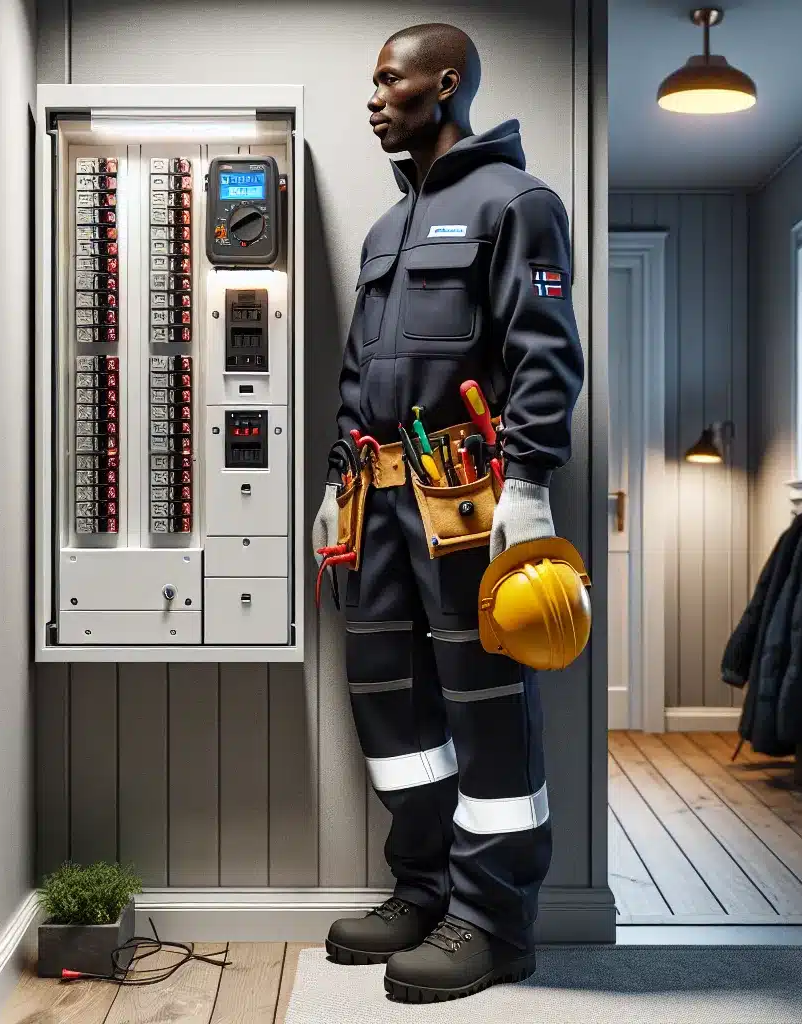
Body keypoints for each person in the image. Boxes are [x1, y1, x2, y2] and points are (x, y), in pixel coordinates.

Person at [310, 21, 585, 1003]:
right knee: (390, 703)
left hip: (467, 502)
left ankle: (494, 921)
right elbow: (358, 376)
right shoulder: (385, 231)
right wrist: (335, 484)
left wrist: (528, 482)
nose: (374, 99)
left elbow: (544, 355)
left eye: (389, 79)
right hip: (373, 506)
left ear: (446, 82)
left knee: (485, 705)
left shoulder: (517, 204)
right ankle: (424, 890)